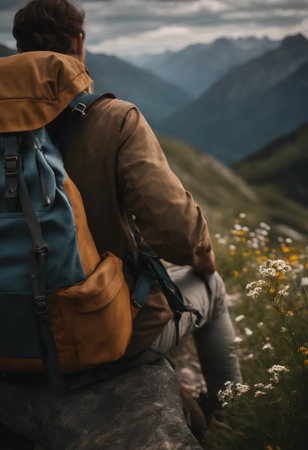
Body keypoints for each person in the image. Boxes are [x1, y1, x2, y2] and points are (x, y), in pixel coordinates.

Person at [11, 0, 241, 419]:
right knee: (212, 288)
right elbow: (178, 235)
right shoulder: (115, 120)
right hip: (92, 335)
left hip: (10, 333)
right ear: (78, 43)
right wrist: (204, 257)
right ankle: (238, 418)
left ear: (18, 50)